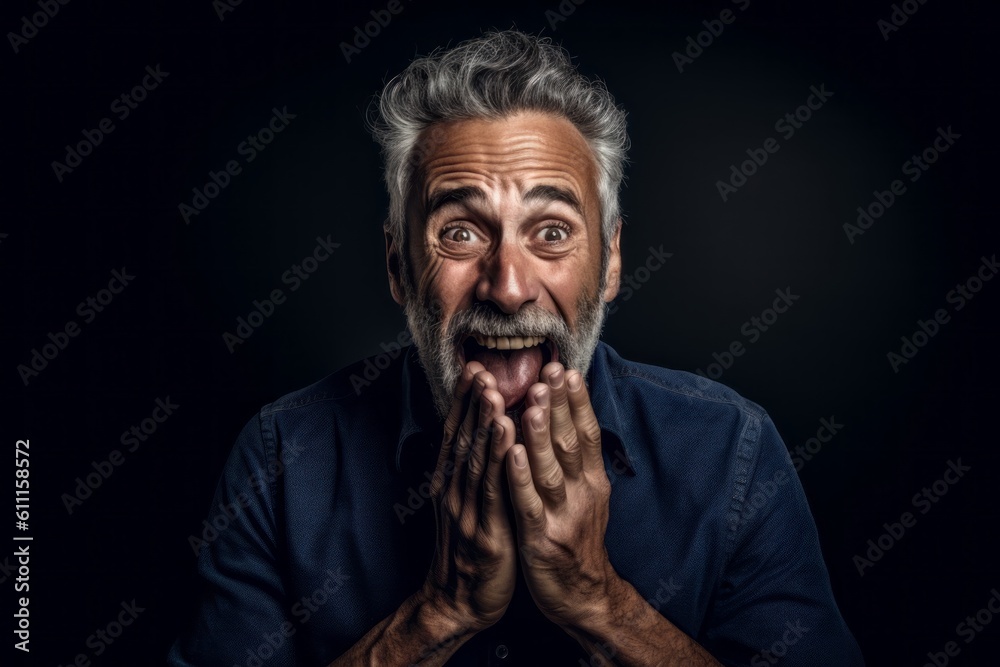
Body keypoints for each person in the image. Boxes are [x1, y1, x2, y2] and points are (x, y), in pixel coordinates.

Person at [168, 30, 864, 666]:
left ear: (612, 260)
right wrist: (440, 612)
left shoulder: (730, 450)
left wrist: (602, 602)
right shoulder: (282, 458)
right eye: (461, 232)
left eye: (552, 231)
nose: (506, 286)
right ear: (398, 266)